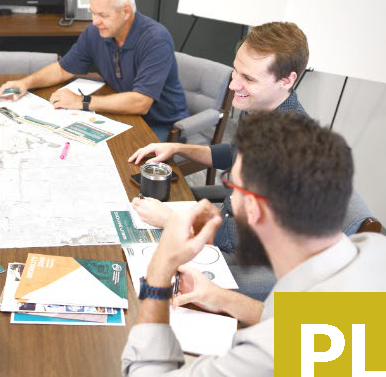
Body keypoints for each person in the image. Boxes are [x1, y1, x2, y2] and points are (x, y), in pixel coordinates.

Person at [122, 112, 386, 377]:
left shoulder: (278, 358)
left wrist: (162, 266)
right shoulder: (384, 253)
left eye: (232, 187)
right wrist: (222, 298)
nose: (228, 201)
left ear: (256, 211)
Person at [127, 21, 312, 251]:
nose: (234, 85)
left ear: (287, 80)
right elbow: (233, 154)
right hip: (227, 217)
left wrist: (170, 220)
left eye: (249, 79)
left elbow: (242, 237)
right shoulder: (260, 108)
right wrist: (178, 148)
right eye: (236, 70)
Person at [0, 0, 189, 140]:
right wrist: (26, 83)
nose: (95, 21)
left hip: (162, 125)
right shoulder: (95, 32)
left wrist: (82, 102)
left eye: (103, 15)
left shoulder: (156, 39)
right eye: (93, 13)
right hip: (122, 116)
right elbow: (63, 69)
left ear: (126, 11)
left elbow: (141, 102)